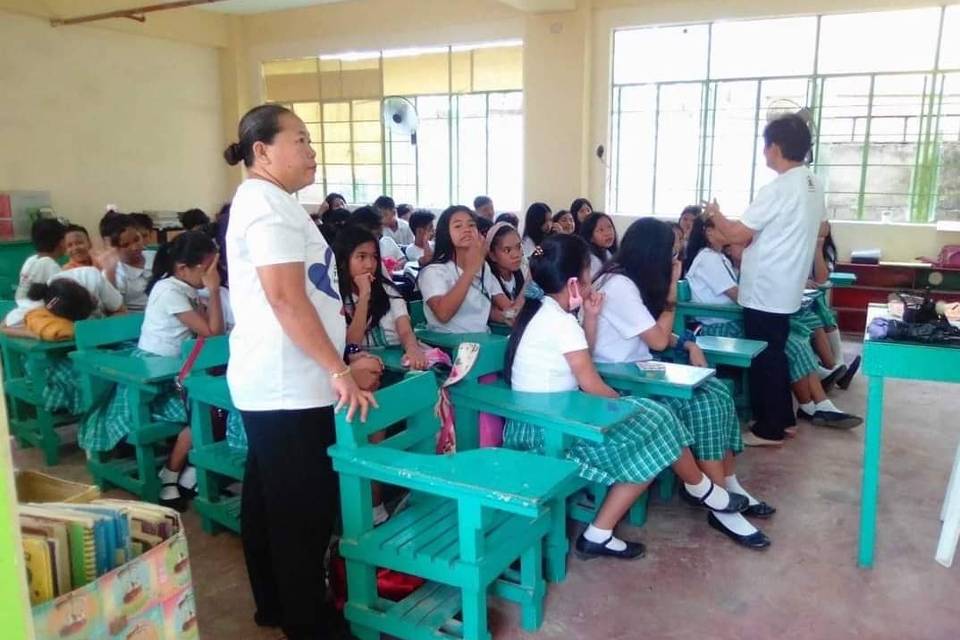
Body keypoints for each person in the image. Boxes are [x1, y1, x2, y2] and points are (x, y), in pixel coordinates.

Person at [223, 104, 376, 639]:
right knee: (301, 513)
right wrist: (338, 369)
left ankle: (276, 605)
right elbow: (287, 299)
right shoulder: (265, 206)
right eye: (301, 141)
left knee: (270, 501)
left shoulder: (272, 201)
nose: (312, 152)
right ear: (261, 151)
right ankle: (309, 623)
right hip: (289, 386)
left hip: (282, 380)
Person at [503, 234, 754, 559]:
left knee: (657, 425)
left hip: (550, 419)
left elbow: (584, 357)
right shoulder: (557, 321)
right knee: (656, 425)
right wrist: (622, 405)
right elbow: (592, 384)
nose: (594, 278)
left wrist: (590, 317)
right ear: (575, 282)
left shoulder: (547, 312)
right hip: (551, 432)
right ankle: (703, 490)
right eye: (588, 271)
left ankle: (602, 532)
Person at [592, 218, 772, 548]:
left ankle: (729, 485)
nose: (675, 259)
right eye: (671, 252)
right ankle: (719, 506)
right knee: (701, 402)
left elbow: (652, 334)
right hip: (619, 381)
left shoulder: (628, 281)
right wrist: (673, 288)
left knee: (716, 391)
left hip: (639, 372)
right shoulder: (618, 286)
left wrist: (687, 343)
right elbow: (657, 340)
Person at [705, 114, 828, 445]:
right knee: (776, 352)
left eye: (765, 147)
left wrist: (714, 212)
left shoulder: (778, 188)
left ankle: (770, 428)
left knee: (763, 356)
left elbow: (735, 233)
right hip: (786, 285)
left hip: (766, 287)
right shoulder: (813, 183)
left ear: (774, 147)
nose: (764, 154)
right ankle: (784, 420)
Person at [79, 232, 224, 512]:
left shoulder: (186, 288)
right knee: (204, 413)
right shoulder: (169, 291)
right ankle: (171, 473)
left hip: (177, 372)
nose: (212, 274)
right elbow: (212, 333)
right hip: (154, 379)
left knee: (215, 407)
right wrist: (215, 290)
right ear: (183, 268)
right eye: (208, 268)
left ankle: (191, 472)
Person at [685, 216, 862, 434]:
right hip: (718, 327)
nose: (728, 229)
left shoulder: (719, 258)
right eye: (721, 226)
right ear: (708, 233)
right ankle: (814, 404)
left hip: (733, 320)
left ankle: (815, 403)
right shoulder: (707, 259)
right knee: (787, 341)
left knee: (794, 334)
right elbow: (738, 296)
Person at [417, 206, 513, 332]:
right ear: (446, 233)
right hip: (448, 344)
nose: (467, 230)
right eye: (458, 226)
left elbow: (509, 308)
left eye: (471, 225)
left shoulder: (483, 267)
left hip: (482, 340)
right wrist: (470, 270)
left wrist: (530, 280)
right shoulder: (433, 272)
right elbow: (443, 314)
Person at [102, 214, 152, 312]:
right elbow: (115, 309)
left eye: (137, 239)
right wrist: (110, 275)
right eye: (125, 245)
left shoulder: (155, 257)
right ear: (113, 247)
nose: (135, 247)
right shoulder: (114, 273)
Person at [15, 218, 66, 302]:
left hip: (21, 307)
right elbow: (62, 296)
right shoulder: (50, 266)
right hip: (35, 311)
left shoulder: (31, 260)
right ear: (61, 242)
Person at [486, 221, 527, 321]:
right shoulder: (489, 277)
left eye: (518, 247)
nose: (516, 255)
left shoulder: (523, 268)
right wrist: (530, 281)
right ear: (492, 255)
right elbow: (511, 313)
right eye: (507, 250)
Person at [579, 212, 618, 278]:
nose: (608, 233)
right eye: (601, 230)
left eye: (610, 227)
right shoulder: (591, 260)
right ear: (590, 237)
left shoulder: (607, 252)